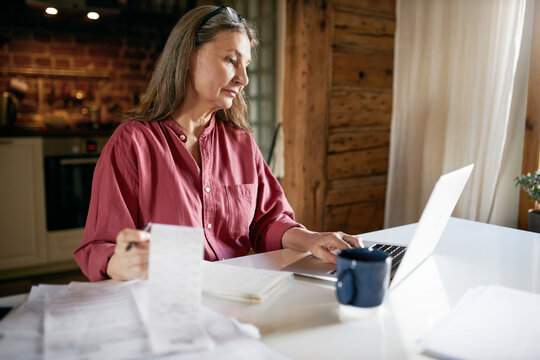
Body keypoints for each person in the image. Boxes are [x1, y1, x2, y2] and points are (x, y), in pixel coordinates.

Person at [74, 5, 362, 282]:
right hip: (168, 302)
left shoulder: (242, 143)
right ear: (187, 56)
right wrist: (118, 262)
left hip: (239, 296)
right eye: (230, 60)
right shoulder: (132, 143)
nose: (243, 78)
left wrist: (312, 240)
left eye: (246, 65)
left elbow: (268, 222)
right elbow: (100, 247)